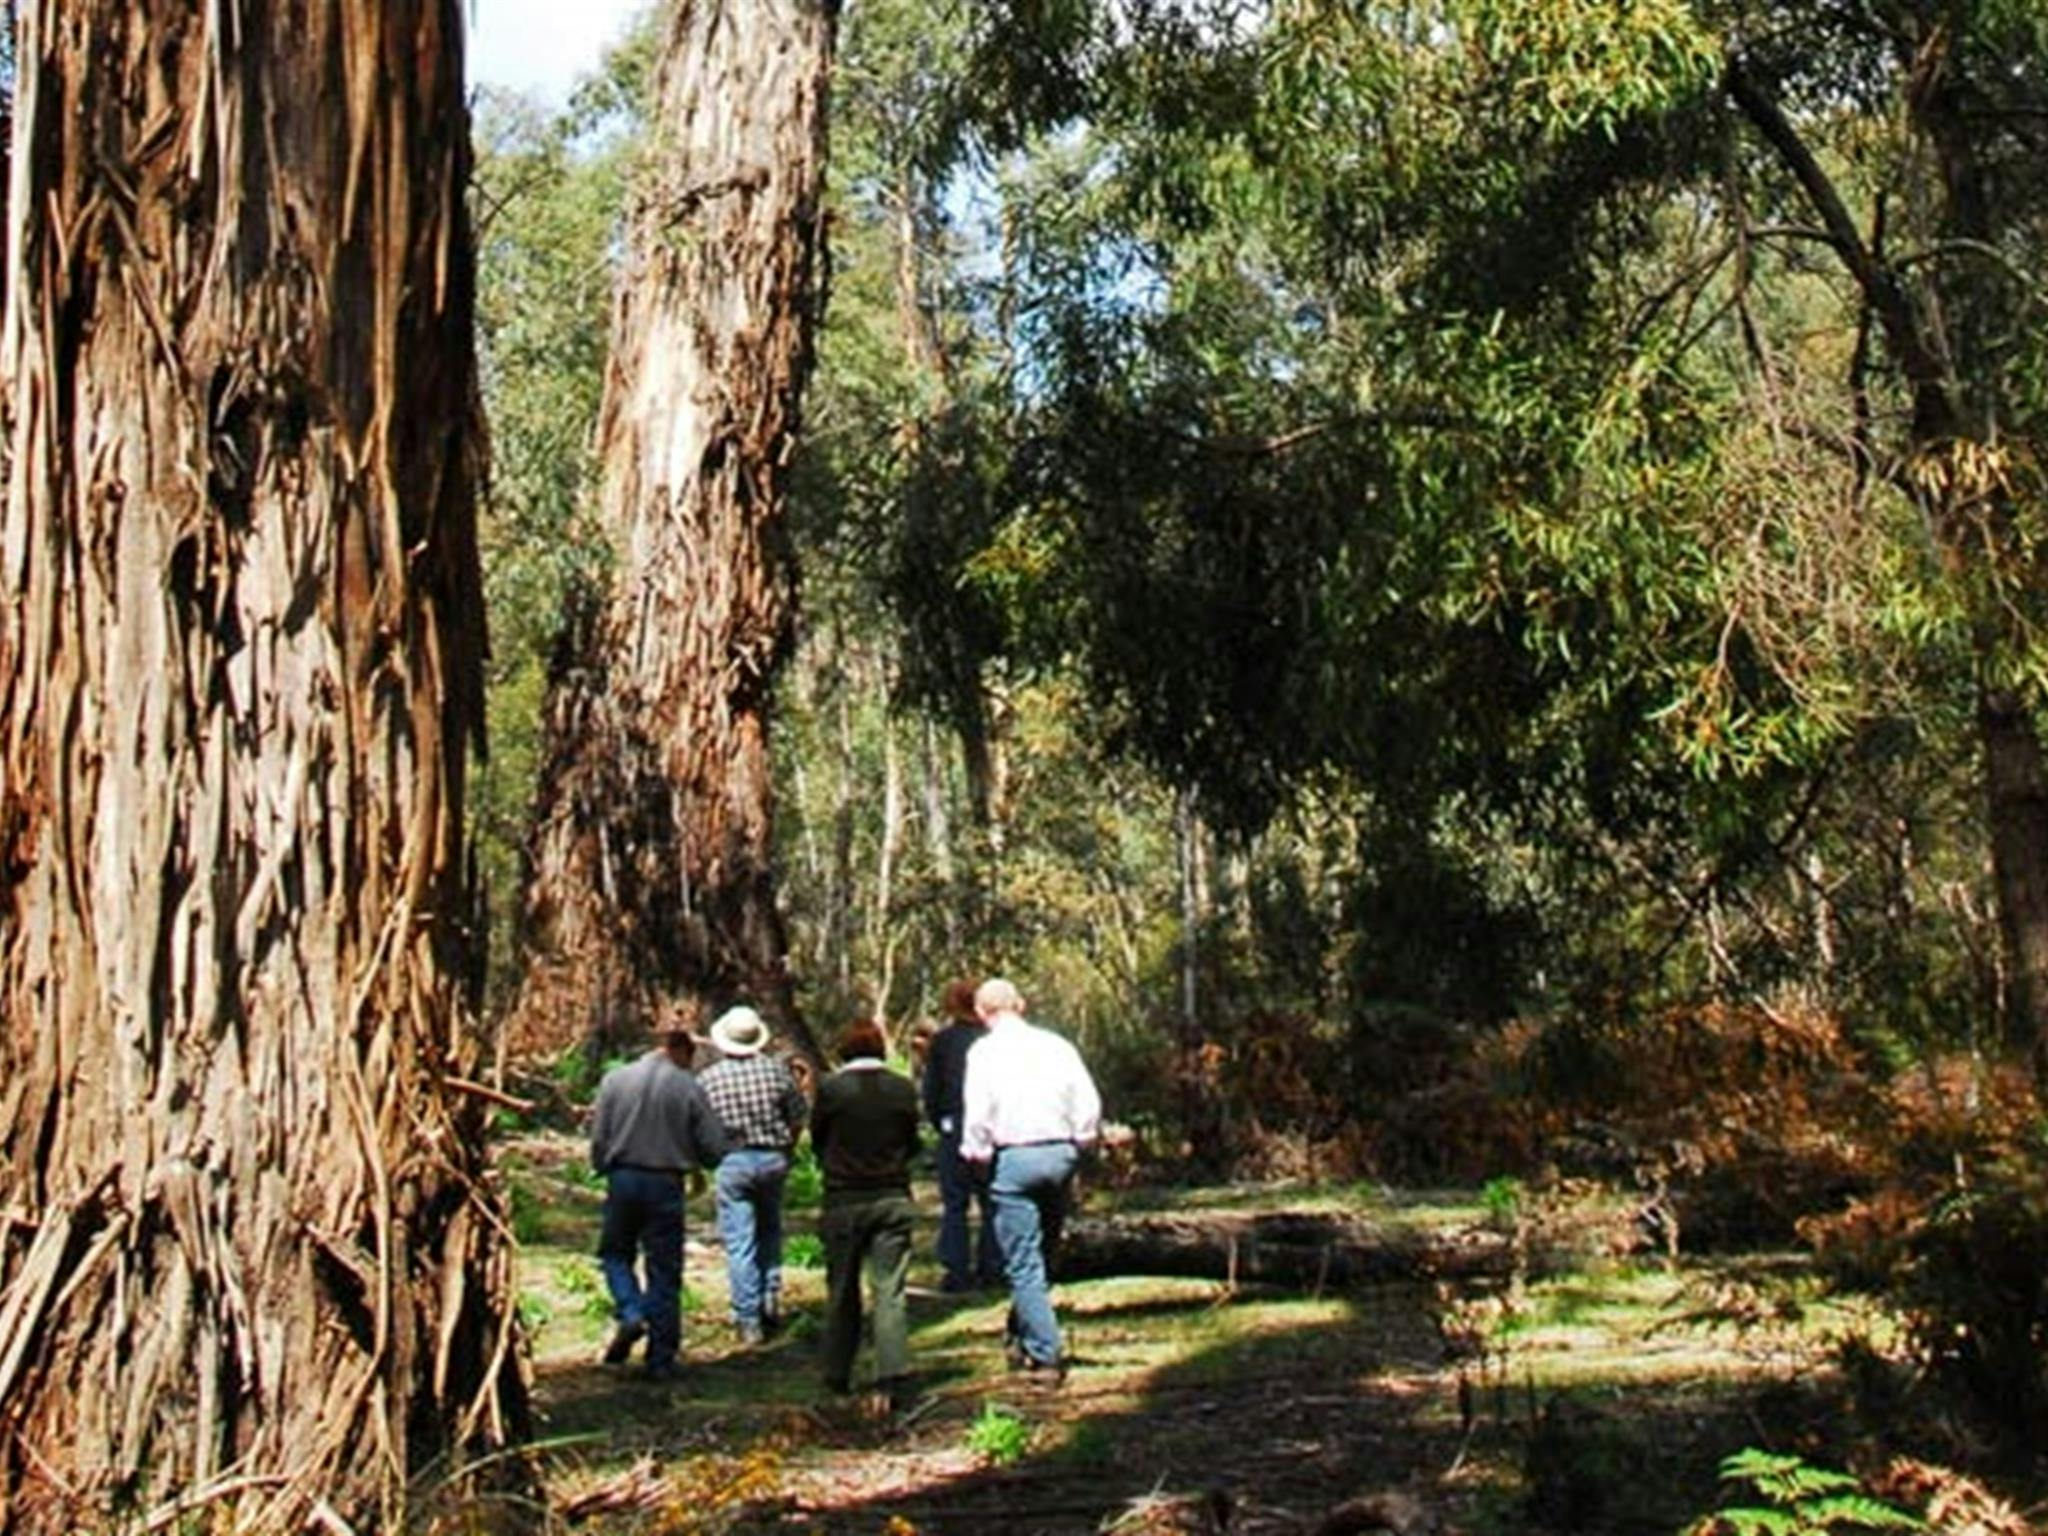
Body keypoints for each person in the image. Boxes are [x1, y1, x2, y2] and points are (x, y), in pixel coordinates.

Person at [959, 976, 1102, 1379]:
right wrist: (1082, 1140)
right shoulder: (1057, 1046)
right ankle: (1020, 1334)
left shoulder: (983, 1053)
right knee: (1043, 1253)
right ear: (1019, 1005)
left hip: (1013, 1160)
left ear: (981, 1013)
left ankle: (1045, 1354)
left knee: (1022, 1262)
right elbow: (1086, 1098)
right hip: (1060, 1154)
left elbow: (978, 1110)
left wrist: (977, 1152)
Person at [590, 1010, 731, 1381]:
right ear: (683, 1053)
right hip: (666, 1184)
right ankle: (661, 1360)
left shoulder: (614, 1080)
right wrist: (702, 1161)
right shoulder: (688, 1086)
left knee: (615, 1253)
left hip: (622, 1179)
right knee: (664, 1269)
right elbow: (713, 1146)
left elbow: (600, 1137)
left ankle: (630, 1311)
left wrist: (603, 1166)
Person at [809, 1018, 921, 1405]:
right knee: (889, 1289)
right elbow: (912, 1141)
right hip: (891, 1196)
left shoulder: (831, 1090)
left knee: (842, 1289)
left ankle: (836, 1372)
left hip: (843, 1199)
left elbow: (818, 1140)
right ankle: (892, 1370)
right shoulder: (901, 1088)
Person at [699, 1004, 809, 1345]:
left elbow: (700, 1126)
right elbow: (797, 1116)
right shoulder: (777, 1073)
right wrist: (787, 1149)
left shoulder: (709, 1079)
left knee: (739, 1240)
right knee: (770, 1229)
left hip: (733, 1162)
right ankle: (770, 1298)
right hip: (773, 1158)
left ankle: (748, 1318)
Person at [922, 978, 1003, 1292]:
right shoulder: (993, 1037)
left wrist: (940, 1121)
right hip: (992, 1128)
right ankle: (992, 1266)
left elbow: (931, 1090)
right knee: (991, 1201)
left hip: (954, 1127)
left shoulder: (942, 1042)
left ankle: (956, 1270)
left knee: (955, 1204)